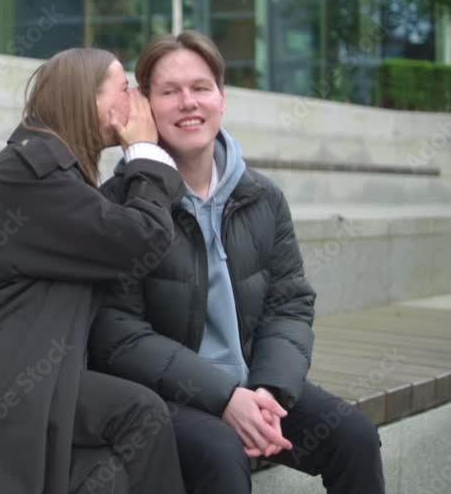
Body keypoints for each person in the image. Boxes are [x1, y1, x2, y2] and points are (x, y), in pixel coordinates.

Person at [89, 31, 385, 493]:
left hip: (253, 384)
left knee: (355, 437)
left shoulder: (263, 198)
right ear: (144, 105)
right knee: (222, 455)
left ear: (221, 99)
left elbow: (289, 305)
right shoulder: (122, 206)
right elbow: (119, 336)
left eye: (201, 88)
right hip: (165, 395)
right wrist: (224, 397)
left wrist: (270, 390)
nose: (189, 103)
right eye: (170, 92)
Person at [0, 48, 189, 494]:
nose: (135, 97)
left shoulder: (52, 169)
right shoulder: (33, 173)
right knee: (142, 413)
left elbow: (117, 230)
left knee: (108, 476)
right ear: (86, 98)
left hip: (7, 364)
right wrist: (144, 149)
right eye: (123, 85)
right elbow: (140, 240)